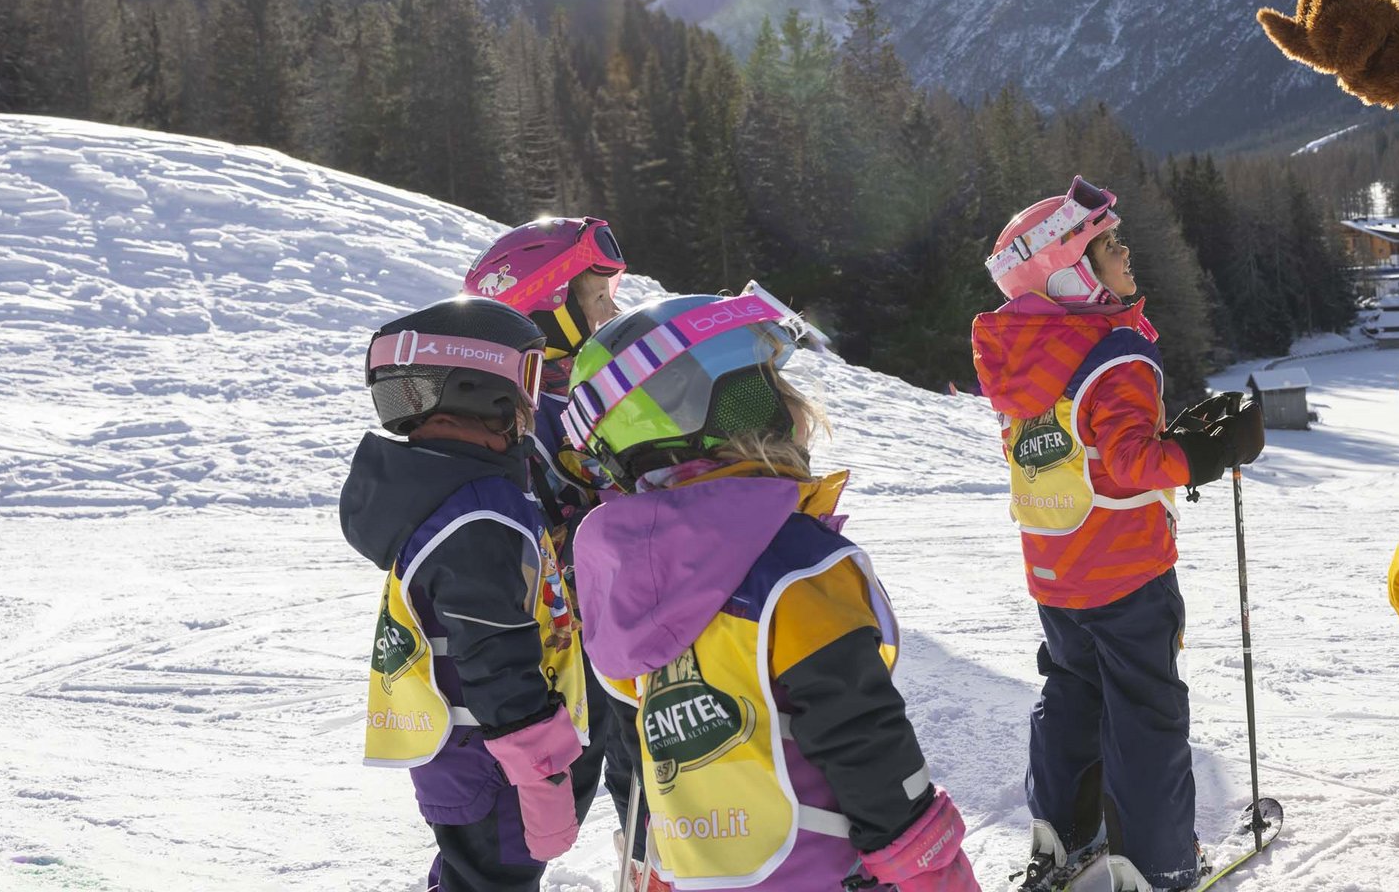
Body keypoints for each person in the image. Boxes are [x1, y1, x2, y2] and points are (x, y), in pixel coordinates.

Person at [562, 287, 980, 892]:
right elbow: (860, 734)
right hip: (815, 869)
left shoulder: (637, 577)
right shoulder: (796, 564)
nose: (793, 403)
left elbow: (653, 747)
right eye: (767, 383)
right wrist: (930, 864)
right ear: (741, 408)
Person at [971, 178, 1265, 892]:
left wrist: (1166, 439)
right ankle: (1159, 862)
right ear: (1070, 272)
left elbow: (1081, 447)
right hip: (1127, 571)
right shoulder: (1117, 351)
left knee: (1072, 690)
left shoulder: (1022, 354)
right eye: (1108, 246)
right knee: (1145, 711)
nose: (1127, 251)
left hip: (1054, 567)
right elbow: (1132, 462)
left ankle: (1060, 834)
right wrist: (1204, 454)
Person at [341, 296, 591, 892]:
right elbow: (494, 653)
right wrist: (542, 773)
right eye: (529, 377)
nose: (535, 403)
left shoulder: (447, 490)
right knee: (495, 879)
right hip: (496, 757)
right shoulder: (480, 514)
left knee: (472, 872)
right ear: (481, 387)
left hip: (463, 752)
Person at [460, 216, 654, 879]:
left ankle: (652, 867)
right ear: (549, 313)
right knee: (529, 818)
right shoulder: (519, 414)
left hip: (625, 641)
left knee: (655, 793)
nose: (615, 310)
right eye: (600, 298)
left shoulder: (596, 391)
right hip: (557, 659)